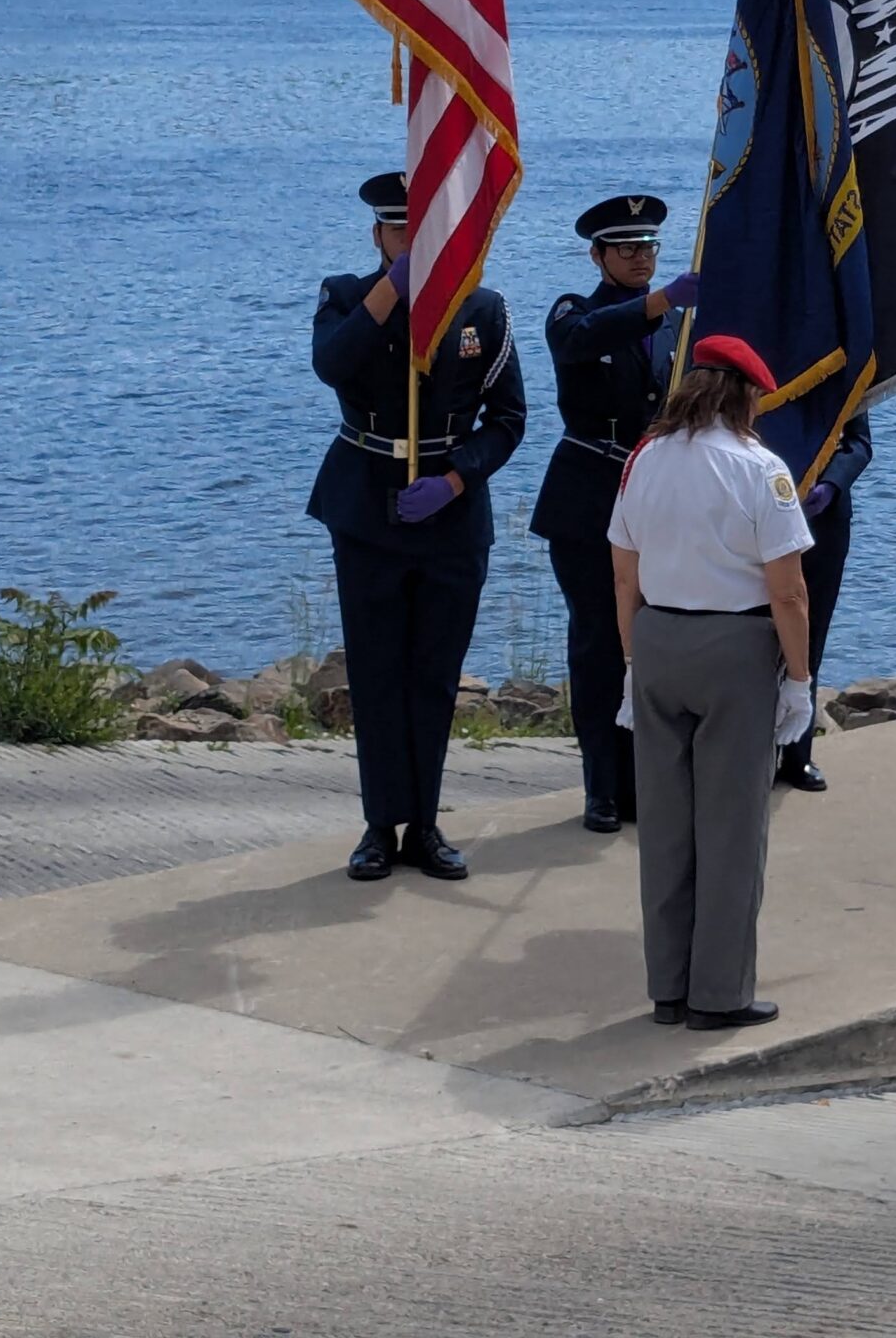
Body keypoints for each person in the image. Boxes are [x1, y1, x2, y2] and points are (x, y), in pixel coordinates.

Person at [309, 170, 526, 884]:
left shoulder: (483, 310)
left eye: (425, 230)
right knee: (376, 673)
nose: (413, 241)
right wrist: (391, 290)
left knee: (434, 674)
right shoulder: (345, 295)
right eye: (400, 230)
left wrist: (458, 477)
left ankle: (426, 823)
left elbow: (509, 419)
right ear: (379, 235)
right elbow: (331, 365)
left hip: (449, 510)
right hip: (368, 503)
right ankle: (379, 825)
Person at [608, 335, 815, 1031]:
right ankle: (718, 994)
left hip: (659, 640)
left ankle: (666, 989)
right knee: (730, 833)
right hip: (736, 647)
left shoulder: (646, 459)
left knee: (665, 830)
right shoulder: (762, 470)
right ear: (746, 397)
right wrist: (800, 680)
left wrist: (634, 660)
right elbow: (788, 593)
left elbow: (623, 573)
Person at [529, 195, 698, 834]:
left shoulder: (680, 324)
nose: (640, 259)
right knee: (600, 643)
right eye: (625, 249)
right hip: (590, 493)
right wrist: (661, 303)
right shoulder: (577, 311)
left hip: (658, 494)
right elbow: (580, 343)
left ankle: (647, 780)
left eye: (649, 248)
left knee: (656, 644)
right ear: (597, 255)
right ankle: (601, 785)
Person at [775, 410, 867, 792]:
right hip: (759, 508)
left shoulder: (846, 363)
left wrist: (831, 483)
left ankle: (798, 755)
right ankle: (750, 754)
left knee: (810, 637)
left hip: (823, 519)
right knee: (752, 634)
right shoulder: (759, 358)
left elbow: (859, 443)